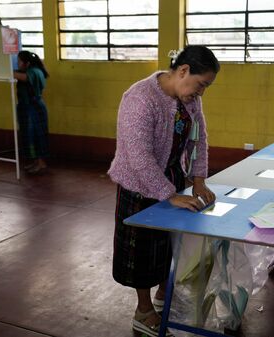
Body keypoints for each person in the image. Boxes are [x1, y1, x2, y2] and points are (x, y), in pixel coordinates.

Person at [107, 45, 220, 337]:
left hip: (172, 177)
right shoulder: (141, 98)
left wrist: (198, 179)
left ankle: (162, 296)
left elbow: (199, 140)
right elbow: (138, 156)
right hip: (138, 183)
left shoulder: (190, 99)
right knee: (141, 250)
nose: (201, 92)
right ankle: (143, 311)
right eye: (201, 84)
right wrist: (169, 194)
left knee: (168, 244)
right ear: (183, 71)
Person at [13, 51, 50, 174]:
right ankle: (36, 162)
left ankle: (41, 163)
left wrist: (6, 70)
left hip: (34, 107)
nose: (17, 63)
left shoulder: (34, 71)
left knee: (37, 135)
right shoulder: (33, 70)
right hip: (28, 107)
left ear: (26, 63)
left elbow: (25, 78)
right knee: (29, 135)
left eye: (19, 61)